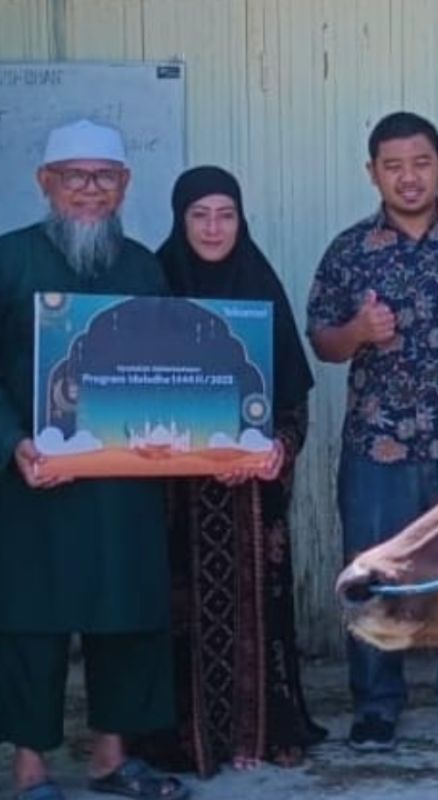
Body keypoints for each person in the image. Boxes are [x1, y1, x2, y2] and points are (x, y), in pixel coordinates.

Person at [0, 120, 187, 800]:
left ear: (124, 186)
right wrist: (10, 443)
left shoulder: (144, 267)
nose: (90, 190)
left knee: (129, 612)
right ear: (45, 184)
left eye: (104, 177)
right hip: (36, 478)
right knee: (29, 618)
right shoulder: (2, 263)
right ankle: (30, 769)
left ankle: (112, 758)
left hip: (124, 483)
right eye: (74, 176)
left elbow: (170, 368)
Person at [306, 111, 438, 752]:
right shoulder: (350, 251)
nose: (408, 177)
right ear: (373, 172)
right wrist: (358, 334)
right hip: (379, 445)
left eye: (420, 163)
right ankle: (376, 702)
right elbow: (323, 342)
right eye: (393, 166)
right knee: (373, 575)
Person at [137, 165, 326, 775]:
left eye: (226, 215)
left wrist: (279, 448)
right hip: (172, 493)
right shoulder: (156, 284)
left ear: (241, 220)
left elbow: (294, 397)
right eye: (200, 215)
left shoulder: (258, 286)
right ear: (179, 219)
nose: (213, 228)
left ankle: (260, 730)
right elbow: (128, 389)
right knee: (177, 612)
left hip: (250, 491)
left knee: (256, 610)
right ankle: (185, 736)